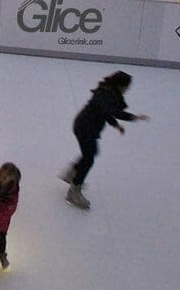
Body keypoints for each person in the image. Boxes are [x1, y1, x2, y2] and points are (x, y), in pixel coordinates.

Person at [62, 71, 148, 210]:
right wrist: (134, 117)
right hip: (85, 128)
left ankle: (71, 174)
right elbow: (113, 111)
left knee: (89, 154)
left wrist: (116, 125)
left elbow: (105, 112)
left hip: (85, 126)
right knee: (89, 158)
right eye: (127, 87)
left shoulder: (107, 92)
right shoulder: (105, 95)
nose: (128, 89)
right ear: (120, 85)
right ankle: (74, 191)